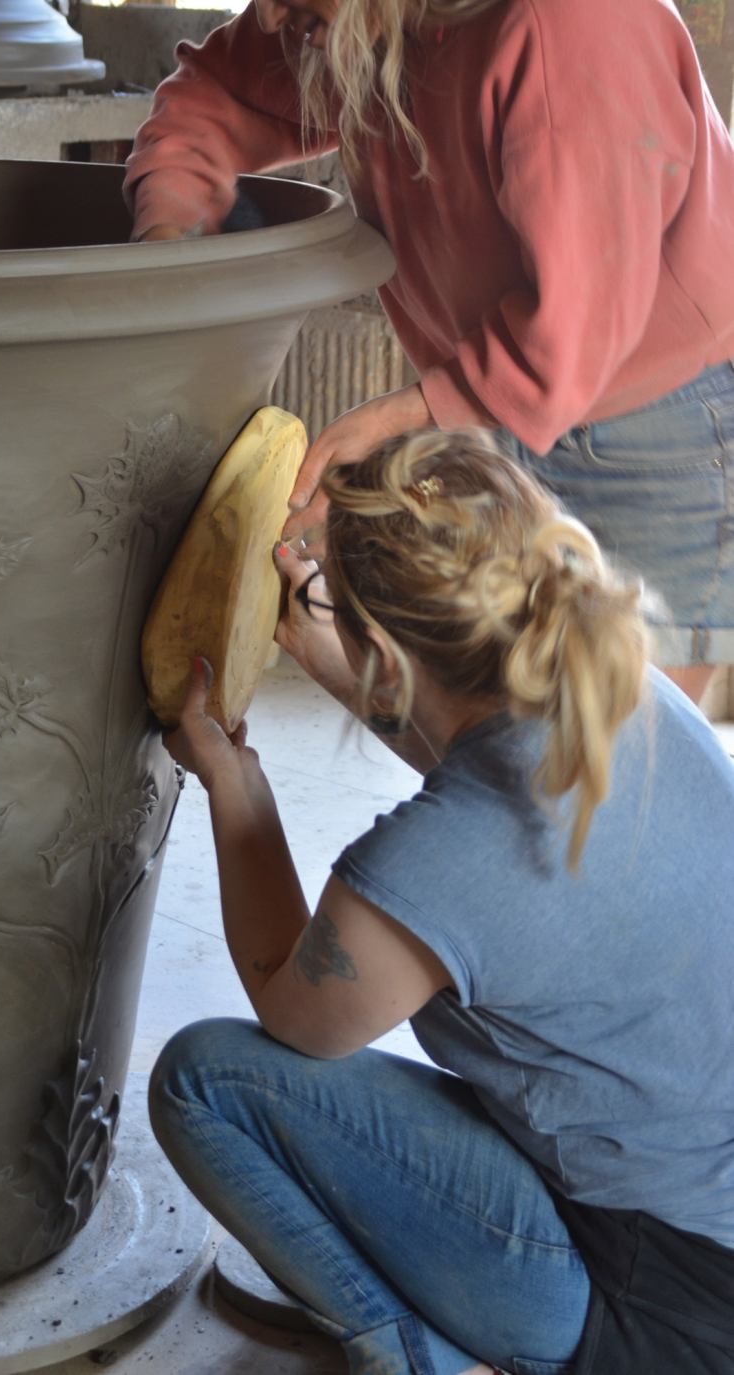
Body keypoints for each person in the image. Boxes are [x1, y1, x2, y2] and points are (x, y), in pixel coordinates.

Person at [150, 428, 734, 1375]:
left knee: (205, 1079)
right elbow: (473, 755)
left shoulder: (432, 861)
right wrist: (319, 638)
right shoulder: (624, 692)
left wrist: (236, 785)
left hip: (643, 1305)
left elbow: (296, 1012)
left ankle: (421, 1356)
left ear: (383, 647)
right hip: (704, 1244)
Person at [123, 0, 734, 704]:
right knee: (499, 735)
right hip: (508, 404)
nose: (266, 17)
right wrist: (166, 238)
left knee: (621, 761)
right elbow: (219, 95)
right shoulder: (361, 18)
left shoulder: (570, 26)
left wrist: (412, 416)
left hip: (659, 431)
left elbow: (584, 319)